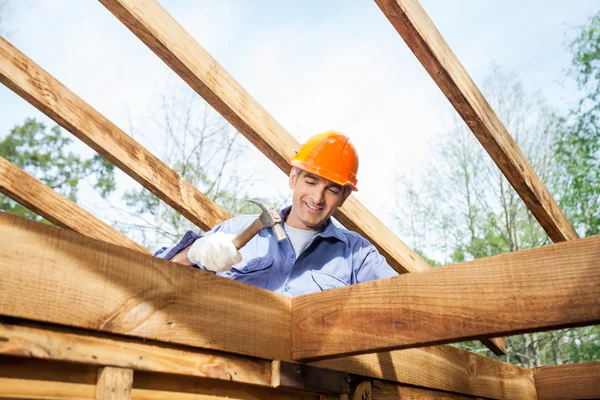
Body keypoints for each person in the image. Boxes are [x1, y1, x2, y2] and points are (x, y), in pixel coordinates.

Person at [154, 131, 397, 296]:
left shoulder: (359, 255)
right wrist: (194, 254)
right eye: (311, 182)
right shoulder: (235, 230)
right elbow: (153, 278)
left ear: (344, 197)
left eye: (331, 190)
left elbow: (404, 299)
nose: (317, 198)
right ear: (294, 178)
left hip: (313, 372)